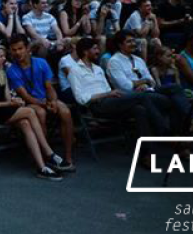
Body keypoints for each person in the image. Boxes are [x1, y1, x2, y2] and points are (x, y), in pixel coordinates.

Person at [69, 37, 170, 170]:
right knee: (142, 97)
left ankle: (147, 155)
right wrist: (108, 94)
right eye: (95, 48)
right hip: (97, 106)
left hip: (111, 101)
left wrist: (112, 93)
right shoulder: (74, 70)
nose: (98, 51)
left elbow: (107, 89)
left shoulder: (98, 69)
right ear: (85, 51)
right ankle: (164, 131)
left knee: (140, 110)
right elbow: (81, 99)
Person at [0, 45, 64, 180]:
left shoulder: (2, 73)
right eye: (1, 56)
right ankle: (48, 152)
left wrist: (15, 101)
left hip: (4, 110)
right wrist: (10, 104)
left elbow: (8, 99)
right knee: (29, 111)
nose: (4, 59)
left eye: (4, 56)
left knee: (25, 123)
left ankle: (41, 167)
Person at [5, 34, 76, 172]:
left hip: (45, 98)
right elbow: (25, 95)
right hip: (29, 102)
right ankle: (46, 156)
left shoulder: (41, 63)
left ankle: (68, 157)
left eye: (20, 48)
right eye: (14, 50)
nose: (17, 52)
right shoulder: (12, 70)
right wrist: (45, 105)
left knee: (65, 112)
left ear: (27, 48)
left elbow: (49, 87)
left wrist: (53, 101)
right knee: (40, 113)